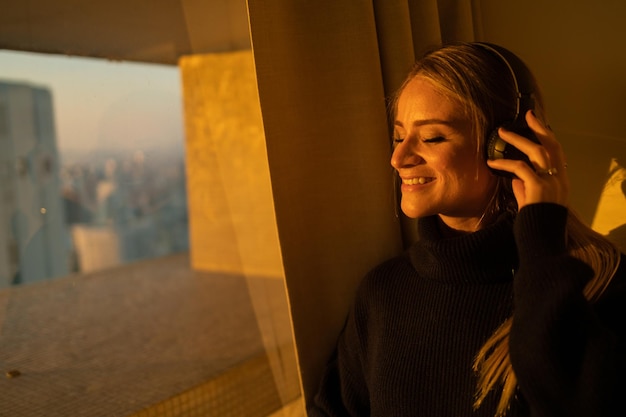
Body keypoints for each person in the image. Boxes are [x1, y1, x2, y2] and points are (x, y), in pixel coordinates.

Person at [309, 42, 626, 417]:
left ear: (508, 147)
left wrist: (542, 238)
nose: (398, 158)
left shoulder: (601, 284)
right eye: (399, 136)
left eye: (431, 137)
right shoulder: (381, 293)